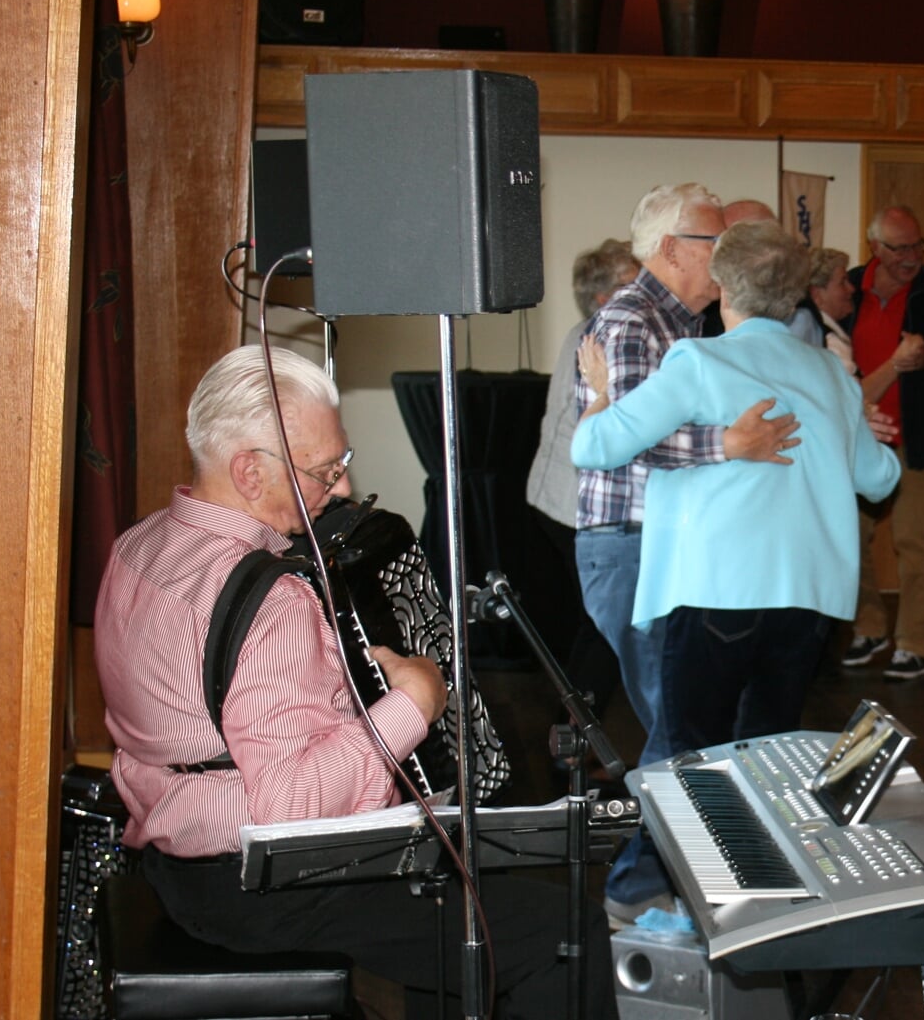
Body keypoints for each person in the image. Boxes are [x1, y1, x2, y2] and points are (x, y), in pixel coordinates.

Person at [95, 345, 615, 1018]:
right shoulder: (272, 600)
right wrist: (413, 705)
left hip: (172, 868)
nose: (341, 489)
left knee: (456, 879)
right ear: (249, 470)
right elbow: (290, 810)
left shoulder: (139, 544)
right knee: (563, 926)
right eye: (324, 470)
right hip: (260, 892)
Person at [571, 221, 901, 755]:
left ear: (722, 284)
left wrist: (602, 394)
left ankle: (681, 844)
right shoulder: (831, 374)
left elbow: (593, 448)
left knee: (692, 760)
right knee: (769, 758)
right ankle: (756, 842)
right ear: (795, 293)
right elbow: (880, 478)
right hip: (806, 602)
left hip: (715, 592)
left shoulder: (700, 362)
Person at [573, 183, 799, 924]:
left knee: (686, 724)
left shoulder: (686, 326)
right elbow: (625, 441)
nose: (723, 258)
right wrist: (726, 442)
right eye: (712, 243)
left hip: (662, 548)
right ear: (672, 249)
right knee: (680, 727)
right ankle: (644, 886)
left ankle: (675, 880)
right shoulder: (635, 319)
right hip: (634, 548)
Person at [839, 205, 924, 681]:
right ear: (875, 247)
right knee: (850, 538)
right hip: (859, 436)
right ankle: (869, 626)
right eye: (901, 248)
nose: (912, 257)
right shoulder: (848, 287)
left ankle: (915, 641)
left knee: (913, 539)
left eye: (919, 246)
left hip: (917, 438)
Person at [524, 238, 640, 722]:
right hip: (577, 506)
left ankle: (571, 732)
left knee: (597, 625)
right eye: (629, 282)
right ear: (602, 296)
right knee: (607, 628)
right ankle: (575, 739)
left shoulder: (587, 330)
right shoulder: (605, 337)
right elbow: (610, 432)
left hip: (557, 500)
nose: (642, 288)